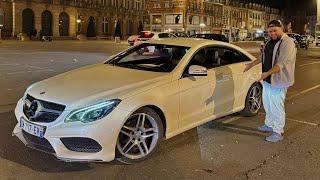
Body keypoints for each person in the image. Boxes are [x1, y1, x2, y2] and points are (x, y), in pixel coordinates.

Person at [244, 20, 296, 142]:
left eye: (274, 31)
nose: (272, 33)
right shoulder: (269, 42)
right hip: (267, 80)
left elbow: (282, 63)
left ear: (281, 28)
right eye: (270, 31)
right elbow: (264, 56)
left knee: (276, 106)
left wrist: (267, 73)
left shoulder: (287, 42)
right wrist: (251, 64)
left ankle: (278, 131)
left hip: (279, 80)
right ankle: (269, 124)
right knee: (267, 104)